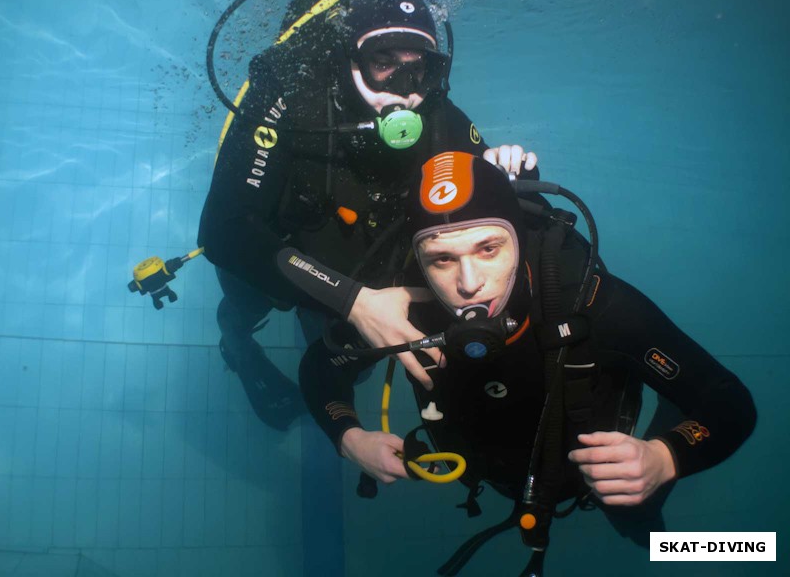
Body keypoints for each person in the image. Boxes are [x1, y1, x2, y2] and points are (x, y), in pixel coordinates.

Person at [299, 151, 757, 571]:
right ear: (418, 258)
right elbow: (322, 366)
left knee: (643, 527)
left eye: (489, 248)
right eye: (440, 258)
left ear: (518, 235)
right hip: (492, 473)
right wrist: (349, 437)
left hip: (597, 477)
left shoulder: (588, 301)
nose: (469, 284)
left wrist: (665, 455)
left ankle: (712, 547)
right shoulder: (401, 308)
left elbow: (728, 401)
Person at [198, 0, 538, 430]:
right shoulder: (287, 93)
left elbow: (488, 212)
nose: (404, 89)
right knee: (243, 310)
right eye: (384, 63)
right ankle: (236, 345)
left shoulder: (435, 111)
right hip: (267, 254)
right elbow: (224, 231)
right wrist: (354, 302)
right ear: (350, 60)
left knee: (348, 362)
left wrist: (509, 174)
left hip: (351, 273)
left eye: (419, 69)